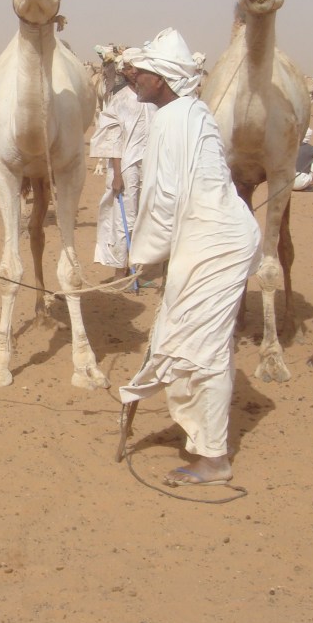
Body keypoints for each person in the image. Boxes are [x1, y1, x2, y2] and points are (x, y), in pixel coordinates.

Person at [117, 28, 261, 488]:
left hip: (211, 244)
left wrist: (143, 258)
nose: (133, 76)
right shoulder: (195, 111)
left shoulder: (171, 119)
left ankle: (214, 458)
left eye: (143, 71)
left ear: (162, 81)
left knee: (203, 351)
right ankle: (205, 442)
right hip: (214, 237)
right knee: (185, 338)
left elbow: (163, 198)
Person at [90, 59, 153, 279]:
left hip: (152, 163)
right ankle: (120, 269)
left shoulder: (153, 98)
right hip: (126, 165)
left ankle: (142, 267)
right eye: (129, 68)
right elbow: (112, 138)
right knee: (125, 217)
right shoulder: (119, 100)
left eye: (137, 68)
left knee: (150, 213)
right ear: (124, 72)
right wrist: (117, 174)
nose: (134, 72)